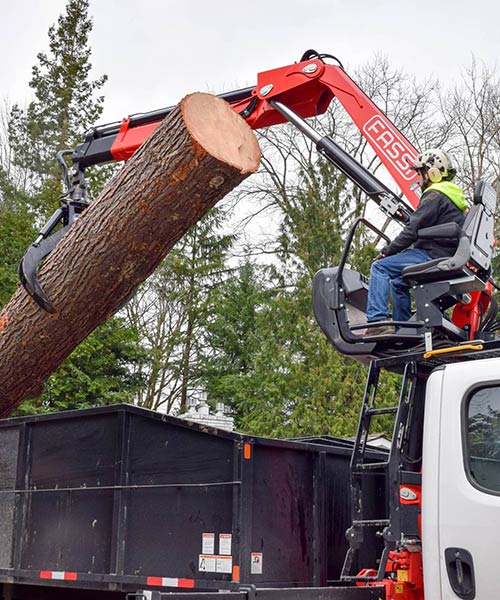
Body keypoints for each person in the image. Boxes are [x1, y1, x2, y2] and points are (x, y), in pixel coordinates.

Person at [366, 148, 468, 335]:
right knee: (398, 281)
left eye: (420, 174)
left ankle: (376, 322)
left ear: (432, 173)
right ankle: (405, 331)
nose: (418, 179)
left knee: (380, 267)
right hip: (444, 253)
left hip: (431, 254)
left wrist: (386, 252)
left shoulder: (434, 195)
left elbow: (412, 230)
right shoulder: (453, 198)